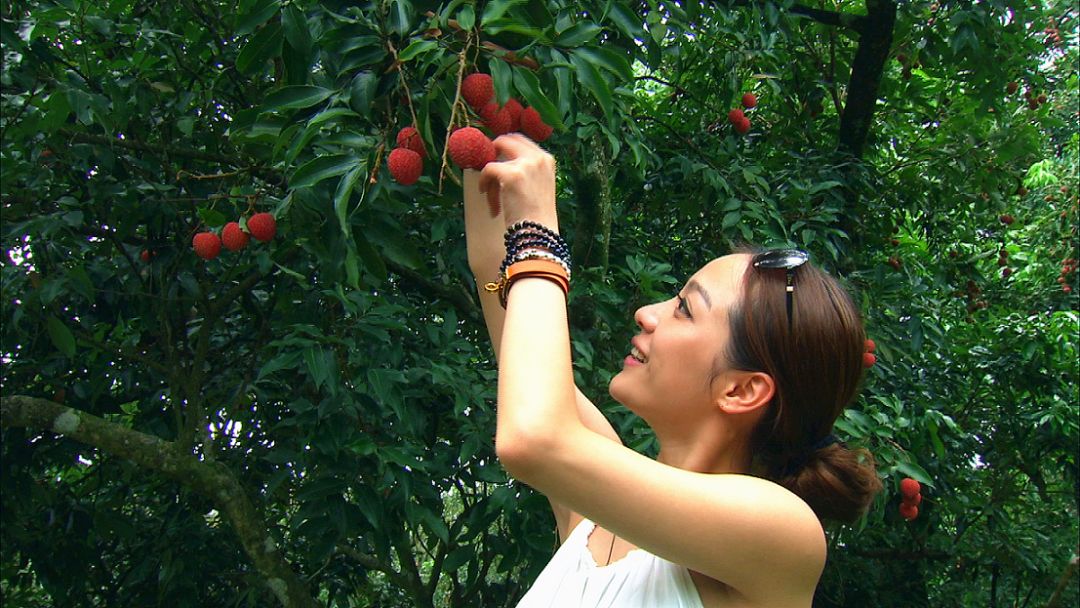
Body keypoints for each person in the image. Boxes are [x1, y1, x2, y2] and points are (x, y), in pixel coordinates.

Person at [463, 134, 882, 608]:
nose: (646, 311)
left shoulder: (782, 532)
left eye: (684, 309)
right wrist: (479, 126)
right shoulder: (593, 518)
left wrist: (539, 233)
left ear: (742, 390)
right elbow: (495, 273)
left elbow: (533, 437)